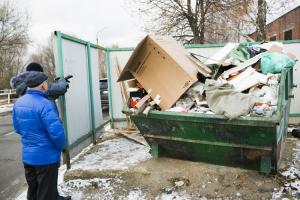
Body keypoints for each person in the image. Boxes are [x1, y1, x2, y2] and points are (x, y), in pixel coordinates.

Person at [12, 71, 71, 200]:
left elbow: (17, 128)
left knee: (33, 191)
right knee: (46, 194)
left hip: (28, 157)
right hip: (46, 158)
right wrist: (63, 146)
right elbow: (57, 133)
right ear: (43, 85)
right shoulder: (45, 104)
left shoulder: (18, 103)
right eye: (45, 83)